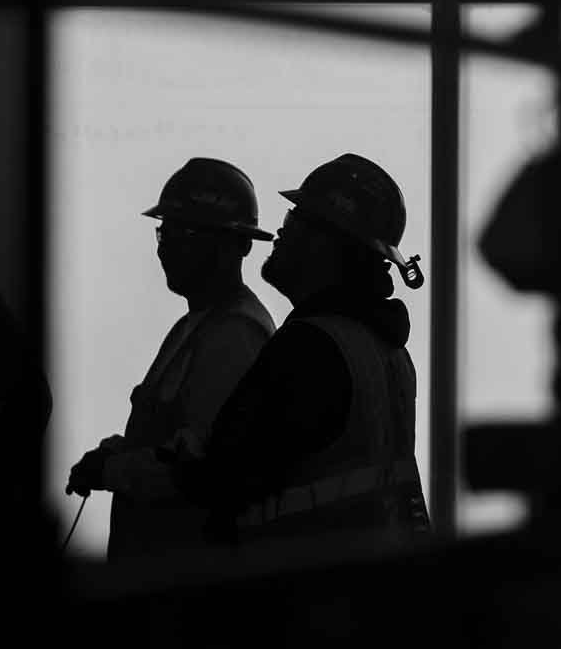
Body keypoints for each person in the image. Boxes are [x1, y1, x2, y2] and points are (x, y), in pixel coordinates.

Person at [176, 152, 430, 556]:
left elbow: (225, 477)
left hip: (302, 594)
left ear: (326, 244)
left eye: (294, 221)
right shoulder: (386, 350)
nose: (280, 233)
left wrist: (168, 462)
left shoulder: (309, 350)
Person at [66, 157, 275, 560]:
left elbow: (199, 468)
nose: (169, 246)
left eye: (188, 233)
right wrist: (117, 453)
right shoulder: (196, 326)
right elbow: (169, 440)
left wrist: (112, 470)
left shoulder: (235, 335)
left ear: (237, 245)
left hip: (188, 584)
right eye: (166, 232)